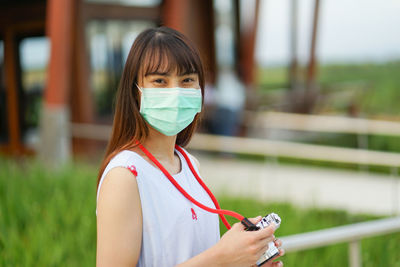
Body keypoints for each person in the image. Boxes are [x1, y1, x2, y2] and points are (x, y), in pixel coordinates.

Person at [96, 26, 284, 267]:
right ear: (135, 92)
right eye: (160, 81)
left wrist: (242, 259)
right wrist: (221, 258)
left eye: (186, 80)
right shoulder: (124, 175)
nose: (175, 92)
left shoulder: (188, 163)